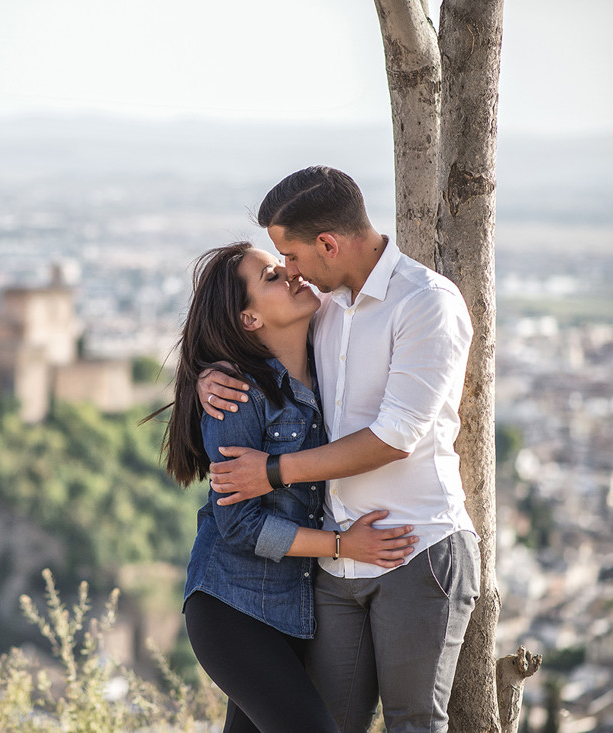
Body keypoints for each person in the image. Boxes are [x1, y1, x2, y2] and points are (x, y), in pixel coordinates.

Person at [198, 166, 480, 733]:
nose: (293, 275)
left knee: (414, 722)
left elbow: (396, 436)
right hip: (330, 566)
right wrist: (202, 378)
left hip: (415, 546)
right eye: (281, 270)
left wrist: (274, 472)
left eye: (292, 259)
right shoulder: (324, 309)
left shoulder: (425, 303)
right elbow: (241, 332)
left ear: (328, 244)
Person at [158, 242, 417, 733]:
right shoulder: (235, 393)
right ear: (250, 319)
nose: (293, 275)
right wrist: (342, 545)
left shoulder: (328, 367)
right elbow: (239, 526)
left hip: (294, 612)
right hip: (231, 608)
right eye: (273, 277)